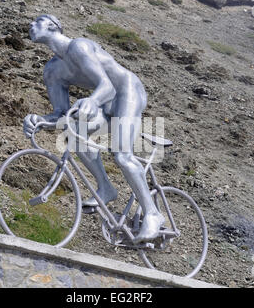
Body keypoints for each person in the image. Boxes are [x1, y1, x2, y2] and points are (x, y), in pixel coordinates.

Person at [23, 15, 164, 243]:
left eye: (36, 21)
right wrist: (38, 120)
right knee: (74, 134)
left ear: (52, 26)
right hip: (105, 102)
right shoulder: (52, 71)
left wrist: (91, 101)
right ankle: (106, 187)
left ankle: (153, 213)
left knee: (122, 156)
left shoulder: (78, 46)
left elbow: (107, 86)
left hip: (126, 91)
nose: (30, 25)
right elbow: (60, 114)